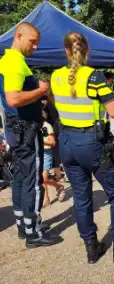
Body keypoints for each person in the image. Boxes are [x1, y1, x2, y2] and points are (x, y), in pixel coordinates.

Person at [51, 32, 114, 264]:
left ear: (66, 51)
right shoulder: (94, 77)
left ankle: (92, 248)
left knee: (81, 197)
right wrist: (112, 96)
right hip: (91, 142)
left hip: (67, 141)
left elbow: (57, 104)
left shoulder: (55, 76)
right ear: (87, 51)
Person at [0, 22, 62, 247]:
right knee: (33, 180)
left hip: (15, 129)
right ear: (18, 36)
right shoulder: (15, 62)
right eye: (32, 41)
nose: (35, 47)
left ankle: (23, 225)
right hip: (25, 128)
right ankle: (33, 232)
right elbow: (13, 99)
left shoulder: (6, 60)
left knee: (19, 177)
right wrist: (41, 91)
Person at [41, 110, 65, 208]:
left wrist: (41, 141)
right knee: (40, 179)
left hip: (46, 153)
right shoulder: (32, 126)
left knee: (44, 178)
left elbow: (52, 143)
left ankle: (46, 198)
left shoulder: (47, 126)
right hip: (37, 154)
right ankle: (58, 186)